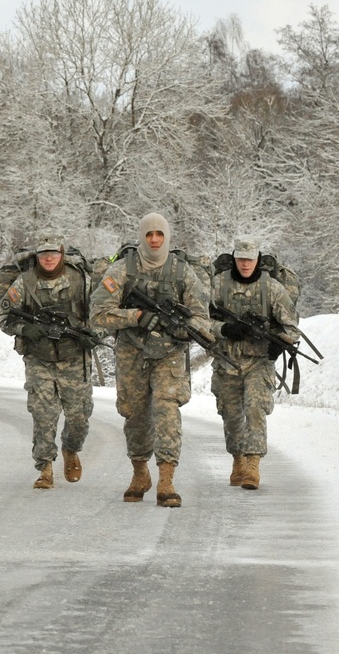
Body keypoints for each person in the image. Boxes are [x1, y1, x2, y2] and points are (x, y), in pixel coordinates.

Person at [90, 213, 213, 507]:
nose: (155, 239)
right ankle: (140, 472)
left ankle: (167, 480)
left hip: (170, 354)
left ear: (167, 237)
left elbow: (201, 316)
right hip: (131, 352)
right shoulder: (123, 271)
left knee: (166, 410)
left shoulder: (183, 273)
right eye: (149, 234)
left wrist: (187, 328)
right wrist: (137, 316)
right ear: (142, 237)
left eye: (159, 234)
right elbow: (98, 313)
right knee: (134, 414)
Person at [0, 233, 95, 489]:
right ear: (37, 257)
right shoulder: (25, 282)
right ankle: (45, 467)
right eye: (44, 254)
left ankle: (71, 449)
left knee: (79, 418)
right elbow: (5, 318)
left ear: (62, 254)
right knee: (43, 416)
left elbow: (101, 314)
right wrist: (24, 328)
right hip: (39, 358)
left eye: (54, 253)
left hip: (74, 357)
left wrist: (93, 335)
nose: (49, 258)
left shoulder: (81, 280)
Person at [209, 237, 300, 490]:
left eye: (249, 259)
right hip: (226, 361)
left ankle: (252, 464)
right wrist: (224, 328)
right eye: (240, 259)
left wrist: (280, 344)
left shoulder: (271, 289)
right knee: (230, 413)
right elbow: (198, 321)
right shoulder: (217, 285)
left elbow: (291, 327)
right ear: (234, 259)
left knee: (255, 408)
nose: (245, 264)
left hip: (259, 361)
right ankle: (238, 459)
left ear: (258, 259)